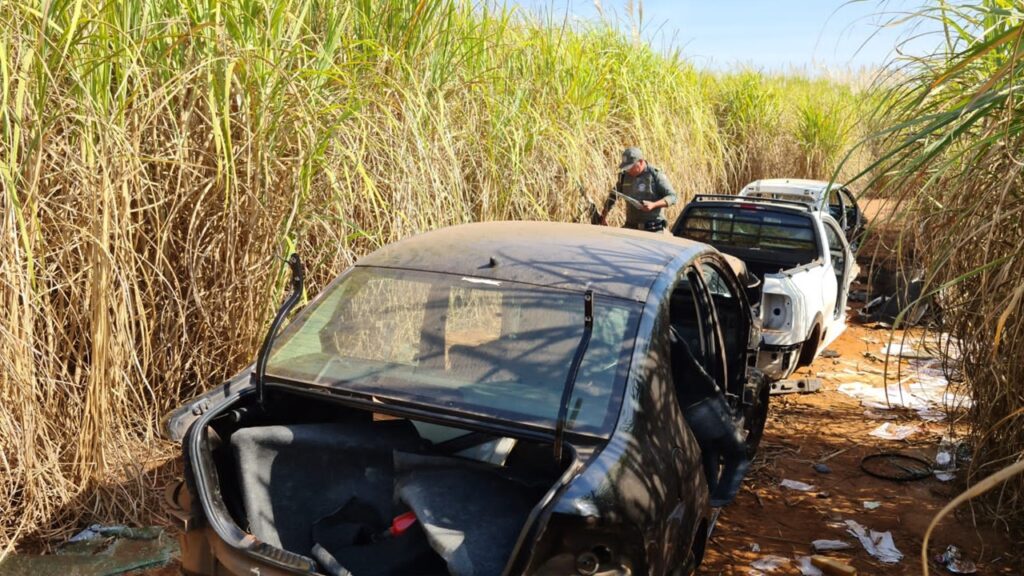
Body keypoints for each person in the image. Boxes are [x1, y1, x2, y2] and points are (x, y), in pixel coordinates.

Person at [600, 147, 678, 231]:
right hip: (631, 227)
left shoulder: (655, 175)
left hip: (653, 228)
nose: (628, 170)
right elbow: (613, 195)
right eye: (626, 167)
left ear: (640, 162)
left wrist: (653, 205)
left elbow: (673, 197)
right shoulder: (624, 176)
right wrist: (604, 216)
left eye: (631, 167)